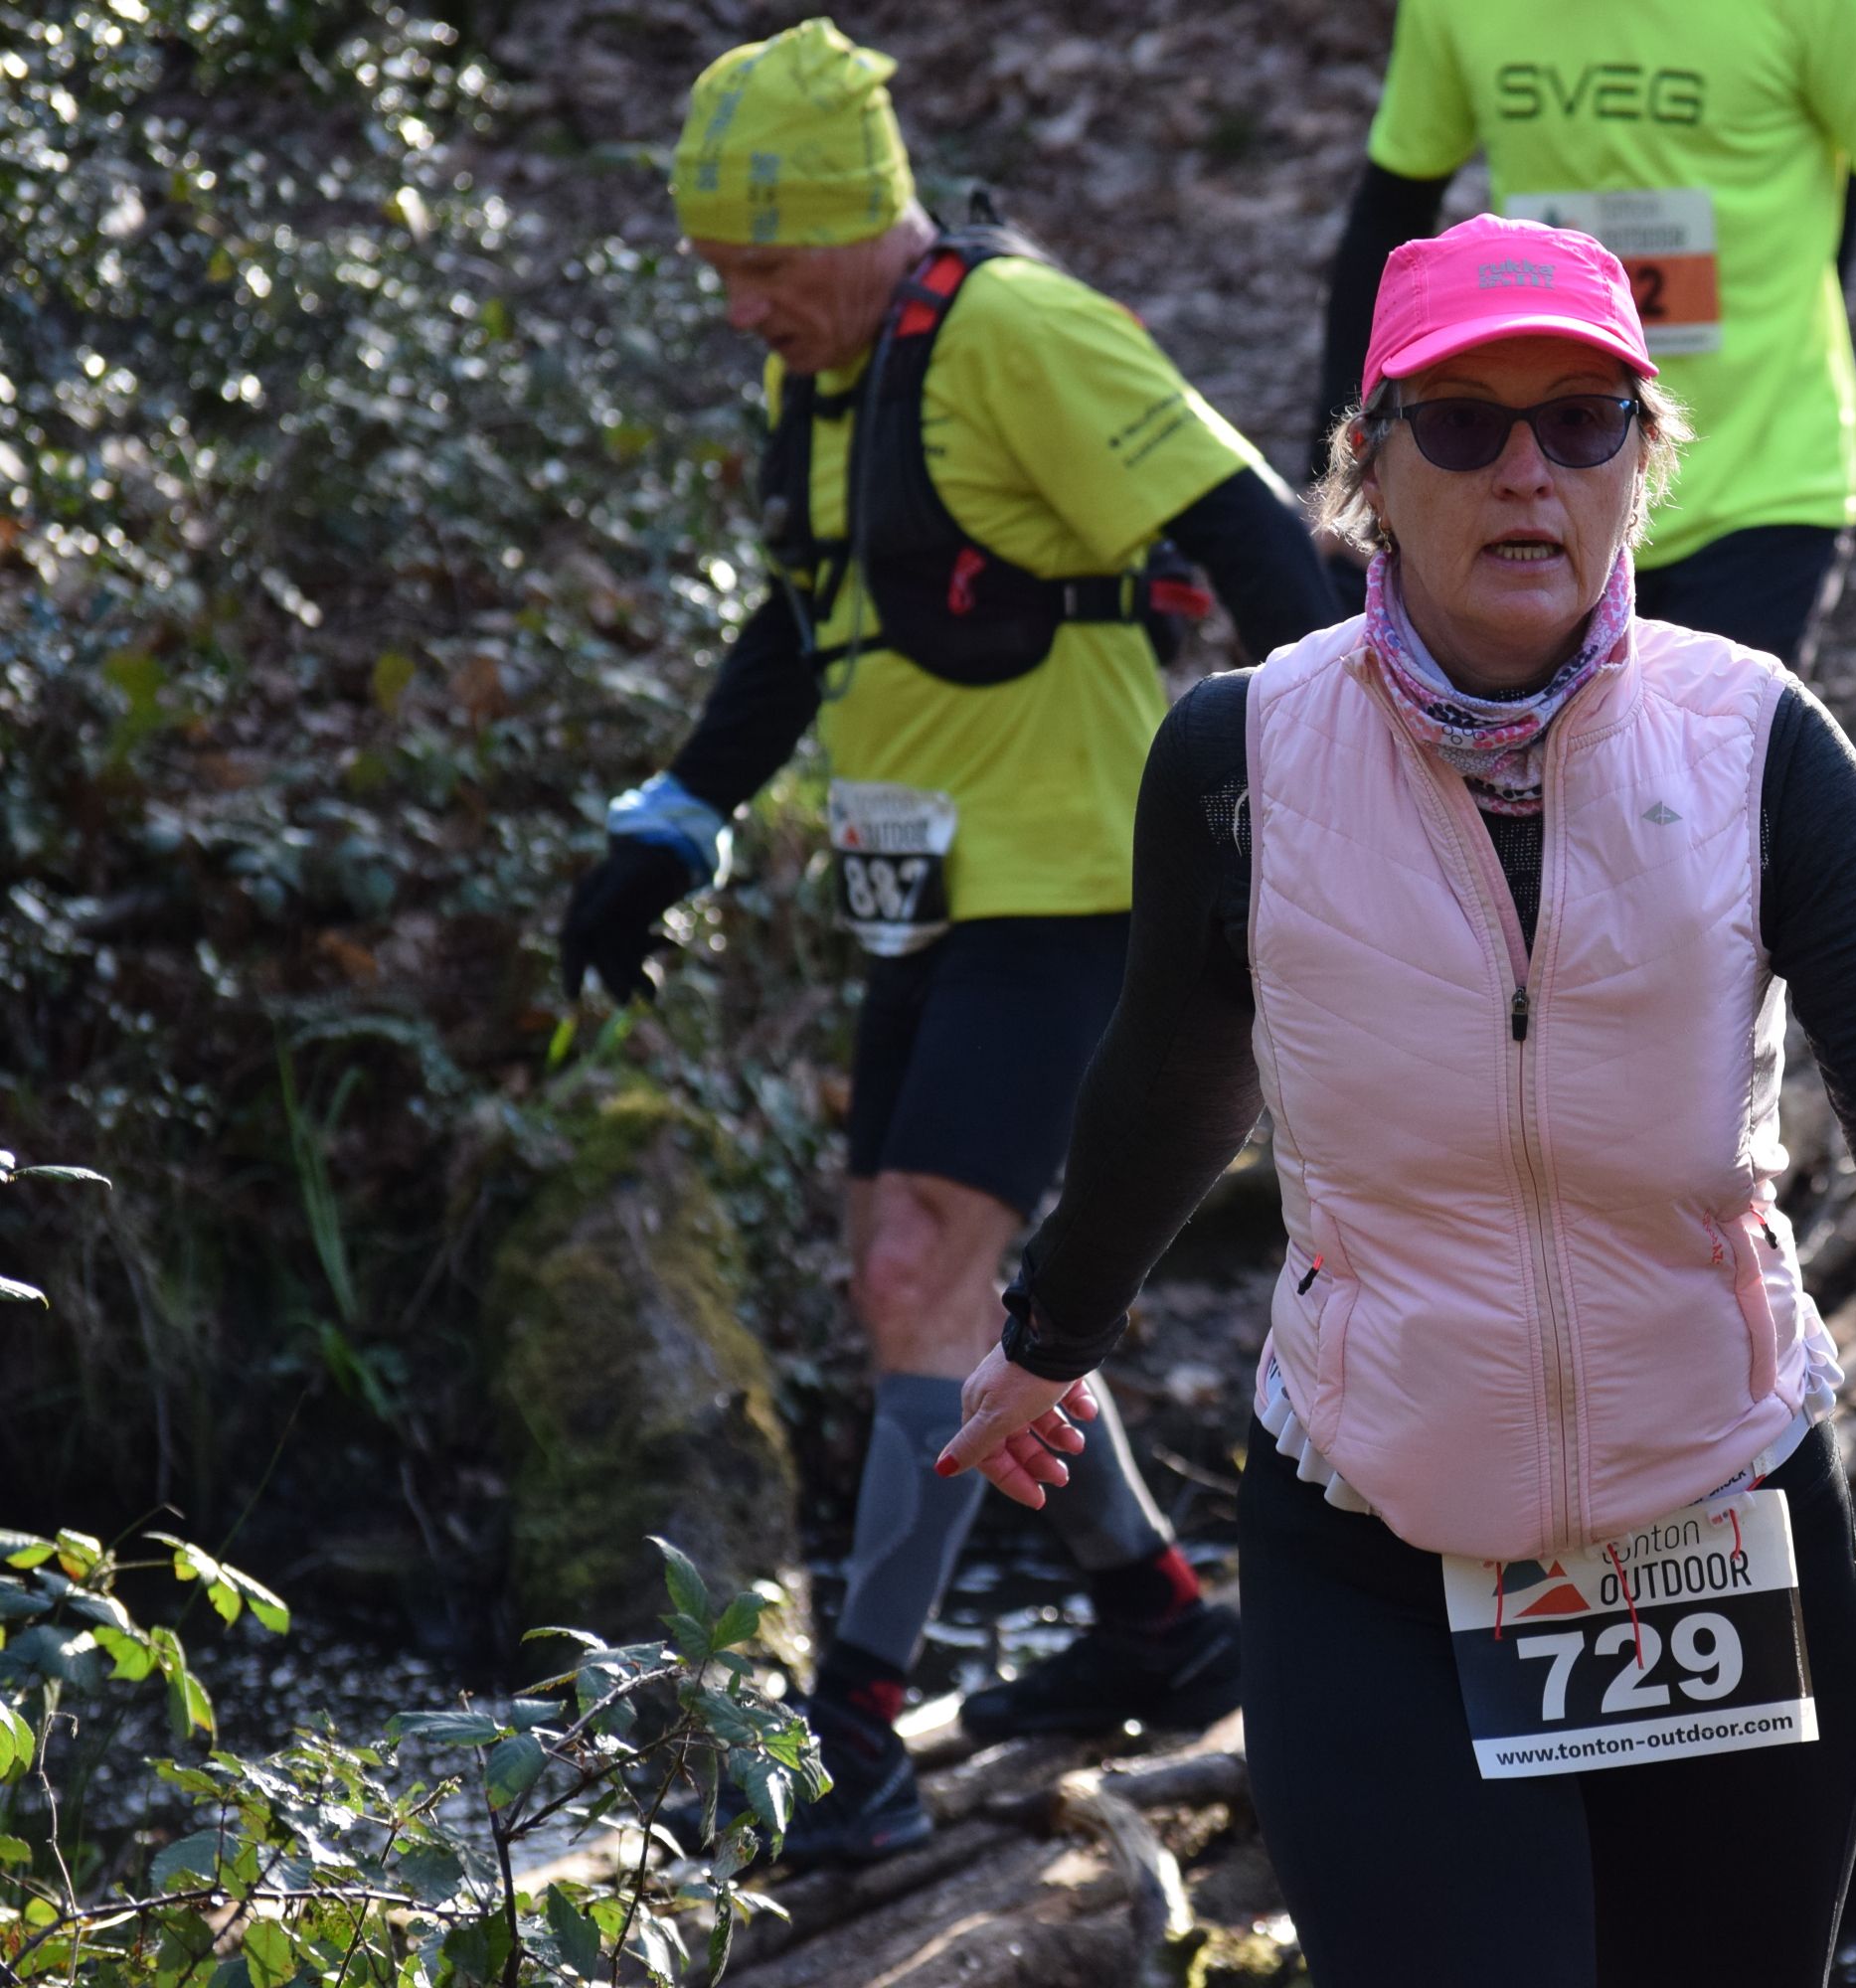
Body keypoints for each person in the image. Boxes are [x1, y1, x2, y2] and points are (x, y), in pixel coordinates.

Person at [944, 214, 1856, 1985]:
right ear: (1368, 469)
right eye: (1464, 424)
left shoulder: (1755, 745)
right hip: (1373, 1547)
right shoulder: (1240, 756)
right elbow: (1172, 1071)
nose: (1527, 473)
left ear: (1639, 468)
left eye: (1583, 423)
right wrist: (1054, 1331)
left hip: (1719, 1537)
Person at [556, 18, 1338, 1865]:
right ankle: (1156, 1615)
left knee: (922, 1272)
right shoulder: (828, 381)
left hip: (1086, 888)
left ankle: (854, 1736)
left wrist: (1346, 796)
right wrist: (676, 818)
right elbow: (805, 619)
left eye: (762, 266)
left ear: (855, 219)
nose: (738, 306)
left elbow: (1257, 536)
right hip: (923, 901)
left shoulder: (1021, 334)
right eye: (716, 271)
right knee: (913, 1285)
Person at [1309, 0, 1856, 674]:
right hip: (1543, 475)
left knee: (1700, 778)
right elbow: (1389, 215)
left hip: (1761, 479)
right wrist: (1340, 479)